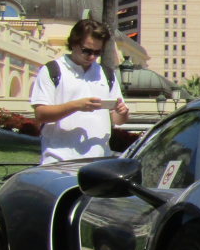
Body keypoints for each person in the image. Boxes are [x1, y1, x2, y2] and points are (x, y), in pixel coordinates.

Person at [29, 18, 129, 164]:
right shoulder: (52, 70)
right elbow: (41, 114)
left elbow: (117, 120)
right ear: (74, 43)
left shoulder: (106, 74)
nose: (92, 57)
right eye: (87, 51)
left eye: (97, 52)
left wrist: (123, 113)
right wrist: (77, 106)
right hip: (59, 160)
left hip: (99, 161)